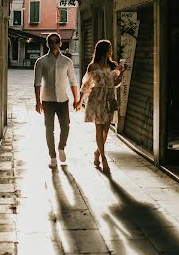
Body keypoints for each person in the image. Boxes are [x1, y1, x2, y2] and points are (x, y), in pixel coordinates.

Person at [75, 39, 127, 173]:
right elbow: (86, 85)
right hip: (96, 99)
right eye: (110, 48)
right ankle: (104, 159)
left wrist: (121, 73)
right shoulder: (92, 66)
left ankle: (97, 152)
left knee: (106, 130)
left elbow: (115, 83)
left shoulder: (113, 65)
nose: (112, 50)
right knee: (99, 129)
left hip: (109, 99)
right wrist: (80, 101)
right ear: (104, 50)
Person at [34, 32, 78, 168]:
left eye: (56, 41)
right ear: (47, 44)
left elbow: (72, 81)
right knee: (49, 129)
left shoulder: (67, 61)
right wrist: (38, 102)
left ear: (60, 43)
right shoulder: (41, 62)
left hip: (63, 100)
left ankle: (61, 147)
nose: (53, 43)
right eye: (51, 41)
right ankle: (52, 156)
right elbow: (37, 83)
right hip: (47, 100)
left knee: (66, 126)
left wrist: (76, 99)